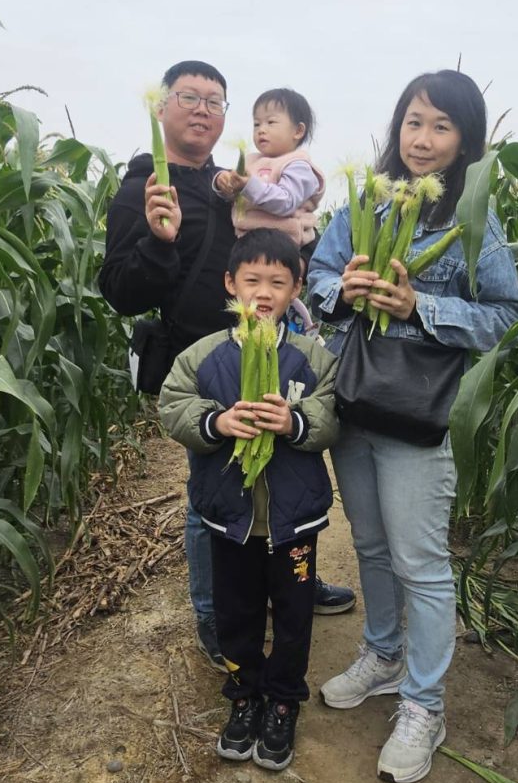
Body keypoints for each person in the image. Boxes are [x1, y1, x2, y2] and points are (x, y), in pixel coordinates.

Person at [98, 61, 354, 675]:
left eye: (215, 100)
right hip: (208, 364)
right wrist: (158, 242)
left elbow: (284, 248)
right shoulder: (142, 189)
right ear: (162, 109)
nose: (203, 109)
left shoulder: (235, 183)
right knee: (212, 494)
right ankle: (215, 613)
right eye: (188, 96)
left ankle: (291, 584)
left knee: (285, 476)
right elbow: (121, 291)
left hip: (278, 353)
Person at [307, 70, 518, 783]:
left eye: (440, 126)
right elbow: (317, 275)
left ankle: (424, 706)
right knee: (369, 544)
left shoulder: (472, 221)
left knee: (421, 564)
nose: (422, 139)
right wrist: (341, 290)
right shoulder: (364, 202)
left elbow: (503, 316)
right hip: (354, 403)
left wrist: (417, 310)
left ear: (465, 140)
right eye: (412, 122)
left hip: (418, 414)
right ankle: (383, 655)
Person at [159, 228, 339, 771]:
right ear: (231, 285)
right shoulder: (204, 356)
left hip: (294, 523)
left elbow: (330, 416)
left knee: (293, 613)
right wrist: (216, 421)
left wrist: (295, 421)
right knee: (237, 613)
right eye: (252, 280)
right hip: (229, 521)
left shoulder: (312, 358)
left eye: (278, 282)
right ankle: (244, 694)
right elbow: (173, 406)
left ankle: (283, 698)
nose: (264, 291)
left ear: (296, 289)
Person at [214, 88, 325, 248]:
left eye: (271, 122)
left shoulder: (299, 166)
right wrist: (223, 184)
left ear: (298, 131)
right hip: (245, 242)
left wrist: (248, 185)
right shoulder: (251, 161)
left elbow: (286, 202)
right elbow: (237, 198)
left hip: (283, 244)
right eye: (256, 124)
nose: (261, 130)